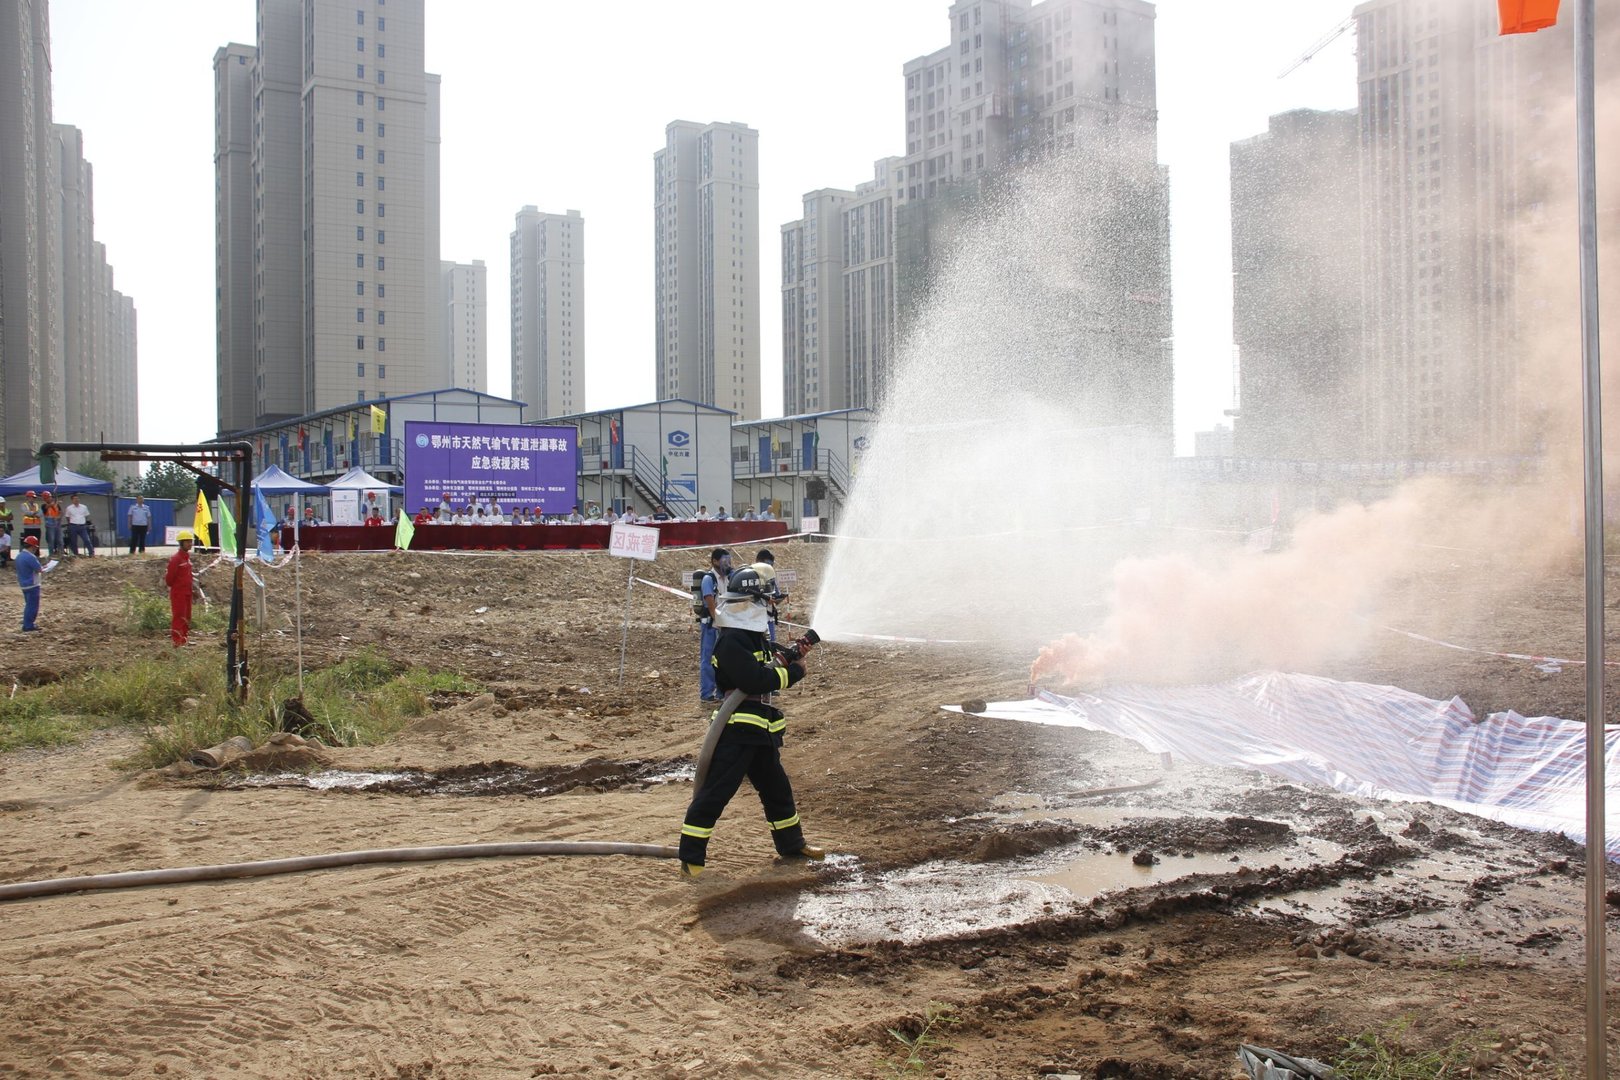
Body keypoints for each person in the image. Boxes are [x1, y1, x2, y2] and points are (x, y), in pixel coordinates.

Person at [677, 563, 823, 877]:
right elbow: (755, 679)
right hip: (737, 732)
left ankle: (791, 844)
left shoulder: (751, 638)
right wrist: (795, 673)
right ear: (751, 601)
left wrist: (795, 651)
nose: (770, 606)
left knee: (778, 790)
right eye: (766, 600)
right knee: (716, 793)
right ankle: (691, 860)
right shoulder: (731, 641)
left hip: (759, 731)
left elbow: (770, 660)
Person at [696, 548, 733, 703]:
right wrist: (718, 622)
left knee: (723, 660)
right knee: (708, 659)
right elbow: (710, 603)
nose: (728, 564)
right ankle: (706, 693)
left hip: (724, 624)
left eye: (729, 561)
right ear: (715, 561)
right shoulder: (708, 579)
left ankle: (720, 692)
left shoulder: (728, 578)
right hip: (712, 625)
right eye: (724, 561)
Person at [165, 530, 201, 646]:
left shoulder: (186, 558)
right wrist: (178, 588)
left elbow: (188, 577)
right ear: (181, 543)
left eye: (191, 541)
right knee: (179, 617)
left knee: (187, 617)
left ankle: (184, 639)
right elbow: (169, 579)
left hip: (187, 592)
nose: (190, 544)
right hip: (178, 593)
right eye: (187, 542)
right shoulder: (176, 559)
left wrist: (192, 590)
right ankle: (177, 641)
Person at [16, 535, 48, 631]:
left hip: (23, 584)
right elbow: (39, 569)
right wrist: (47, 567)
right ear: (33, 546)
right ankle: (28, 625)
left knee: (28, 605)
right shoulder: (30, 557)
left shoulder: (19, 556)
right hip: (32, 584)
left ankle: (27, 623)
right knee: (32, 606)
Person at [755, 548, 788, 642]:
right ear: (758, 561)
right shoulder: (749, 576)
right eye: (767, 564)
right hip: (755, 619)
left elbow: (776, 597)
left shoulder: (771, 579)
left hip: (769, 618)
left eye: (770, 565)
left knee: (771, 645)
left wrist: (779, 598)